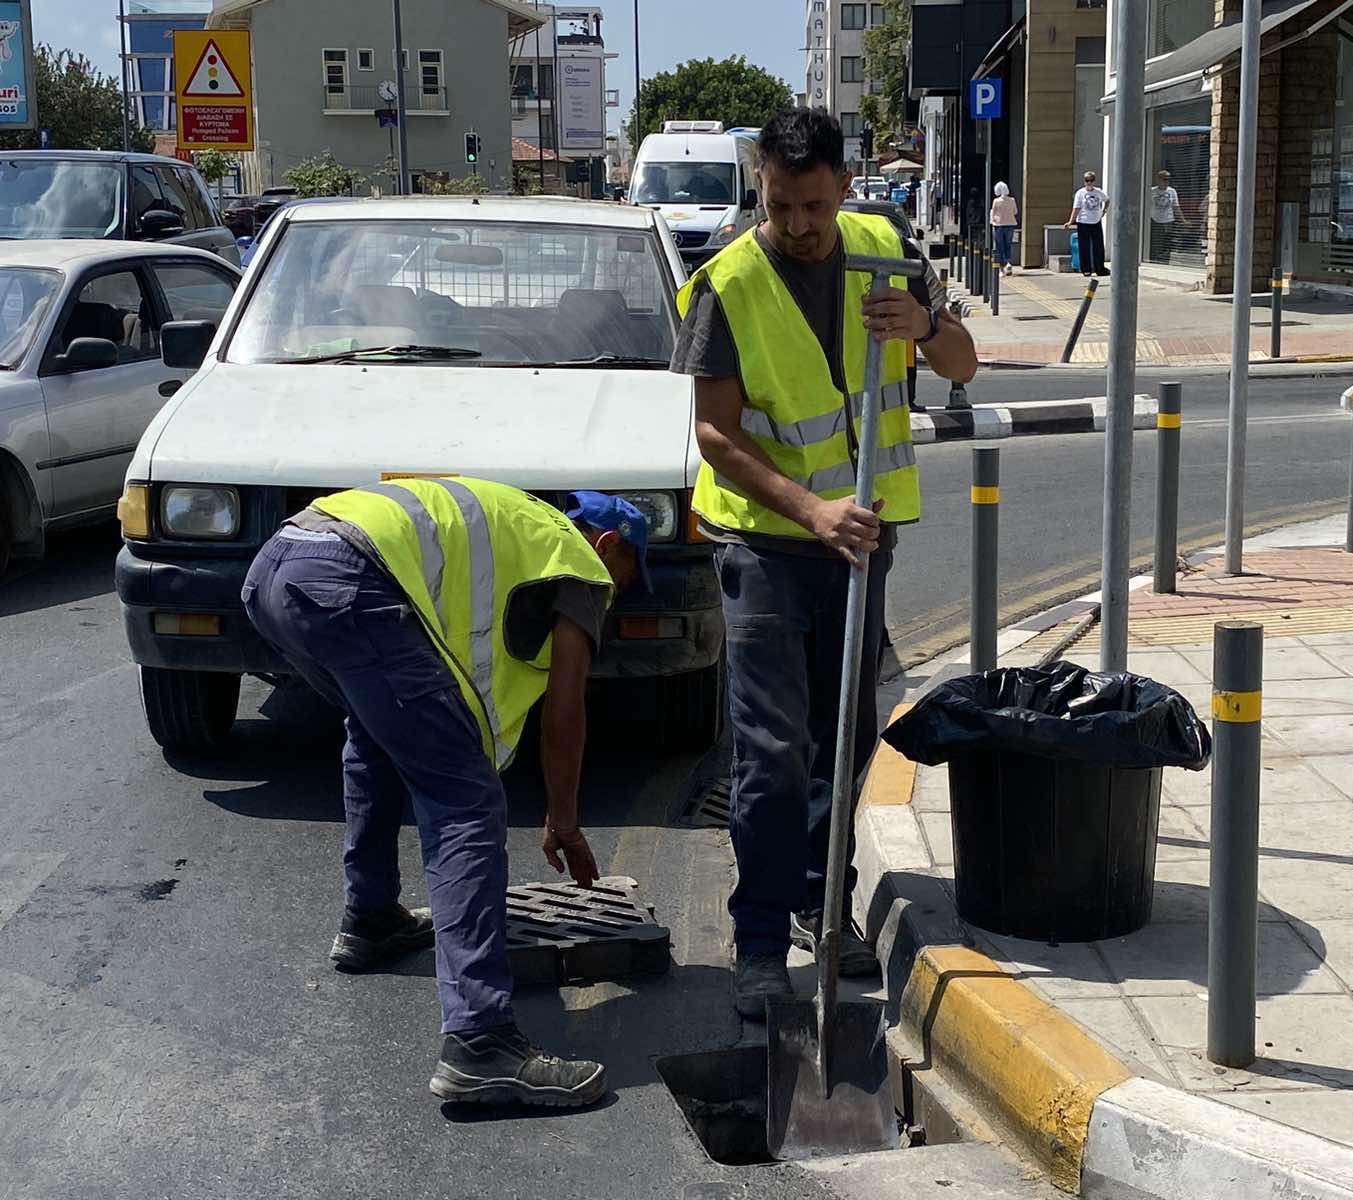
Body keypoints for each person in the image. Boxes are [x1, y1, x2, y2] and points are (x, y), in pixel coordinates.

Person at [669, 107, 978, 1019]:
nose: (797, 225)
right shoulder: (727, 284)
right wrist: (810, 510)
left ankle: (821, 900)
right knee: (772, 749)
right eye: (778, 205)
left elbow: (964, 365)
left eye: (811, 204)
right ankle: (760, 942)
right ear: (758, 188)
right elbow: (715, 435)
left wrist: (924, 323)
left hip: (860, 544)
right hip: (765, 544)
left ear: (844, 186)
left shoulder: (888, 253)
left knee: (841, 740)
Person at [241, 478, 650, 1107]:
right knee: (464, 800)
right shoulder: (577, 562)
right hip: (348, 579)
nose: (618, 595)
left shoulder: (520, 528)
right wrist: (563, 818)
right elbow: (565, 710)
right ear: (609, 542)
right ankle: (480, 1042)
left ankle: (371, 919)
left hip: (277, 569)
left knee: (377, 738)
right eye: (627, 575)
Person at [1070, 170, 1111, 277]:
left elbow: (1107, 200)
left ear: (1094, 181)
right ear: (1084, 181)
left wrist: (1104, 211)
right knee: (1084, 246)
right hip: (1083, 222)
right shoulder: (1080, 193)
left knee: (1098, 246)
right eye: (1087, 180)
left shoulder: (1098, 192)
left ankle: (1099, 268)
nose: (1089, 183)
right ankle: (1086, 269)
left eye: (1091, 180)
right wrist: (1071, 221)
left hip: (1096, 222)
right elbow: (1076, 208)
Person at [1149, 169, 1185, 264]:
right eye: (1164, 179)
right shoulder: (1151, 191)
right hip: (1155, 220)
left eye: (1168, 179)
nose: (1166, 182)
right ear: (1158, 180)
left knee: (1167, 242)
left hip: (1169, 220)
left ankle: (1165, 261)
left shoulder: (1172, 191)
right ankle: (1155, 260)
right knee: (1157, 242)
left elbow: (1176, 206)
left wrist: (1183, 220)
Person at [990, 181, 1019, 276]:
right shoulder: (1012, 200)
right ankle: (1008, 263)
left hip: (998, 226)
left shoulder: (996, 201)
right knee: (1008, 245)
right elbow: (1015, 212)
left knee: (999, 247)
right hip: (1010, 225)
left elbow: (993, 213)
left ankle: (1001, 268)